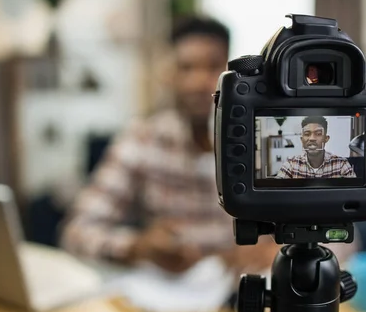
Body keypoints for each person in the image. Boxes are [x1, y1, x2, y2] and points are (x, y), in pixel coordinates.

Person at [61, 16, 277, 275]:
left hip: (253, 291)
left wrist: (279, 251)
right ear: (169, 76)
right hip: (169, 293)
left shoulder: (268, 137)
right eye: (186, 68)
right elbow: (76, 231)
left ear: (233, 73)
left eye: (213, 67)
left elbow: (331, 228)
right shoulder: (143, 139)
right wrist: (138, 246)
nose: (199, 82)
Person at [276, 116, 356, 179]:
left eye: (318, 134)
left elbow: (354, 194)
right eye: (307, 134)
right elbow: (276, 193)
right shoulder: (291, 164)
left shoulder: (341, 164)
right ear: (302, 140)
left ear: (326, 139)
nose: (312, 139)